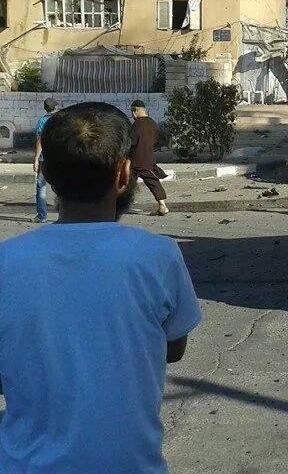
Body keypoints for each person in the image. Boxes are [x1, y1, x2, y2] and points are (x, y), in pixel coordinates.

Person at [0, 102, 202, 472]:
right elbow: (174, 348)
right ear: (124, 174)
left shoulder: (6, 261)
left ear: (46, 173)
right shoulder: (158, 256)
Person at [131, 99, 169, 216]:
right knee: (149, 180)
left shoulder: (137, 124)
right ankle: (162, 204)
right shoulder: (152, 123)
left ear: (135, 111)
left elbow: (131, 142)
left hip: (137, 159)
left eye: (132, 112)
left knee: (127, 180)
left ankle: (163, 205)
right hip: (149, 157)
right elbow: (159, 140)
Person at [32, 97, 58, 223]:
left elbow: (40, 141)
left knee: (41, 185)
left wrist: (36, 159)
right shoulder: (62, 119)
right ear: (56, 106)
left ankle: (42, 216)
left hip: (45, 158)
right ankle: (65, 215)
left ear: (45, 108)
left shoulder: (43, 120)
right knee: (62, 185)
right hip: (60, 158)